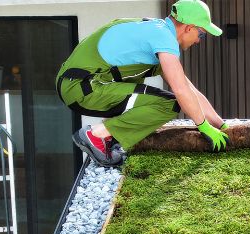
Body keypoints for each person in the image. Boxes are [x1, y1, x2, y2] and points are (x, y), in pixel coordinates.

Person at [56, 0, 229, 167]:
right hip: (82, 87)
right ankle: (96, 135)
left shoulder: (153, 29)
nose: (199, 40)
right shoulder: (164, 39)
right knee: (169, 105)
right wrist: (203, 126)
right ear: (189, 27)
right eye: (201, 34)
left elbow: (188, 88)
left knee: (160, 96)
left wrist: (220, 124)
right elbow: (181, 92)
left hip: (78, 84)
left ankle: (109, 136)